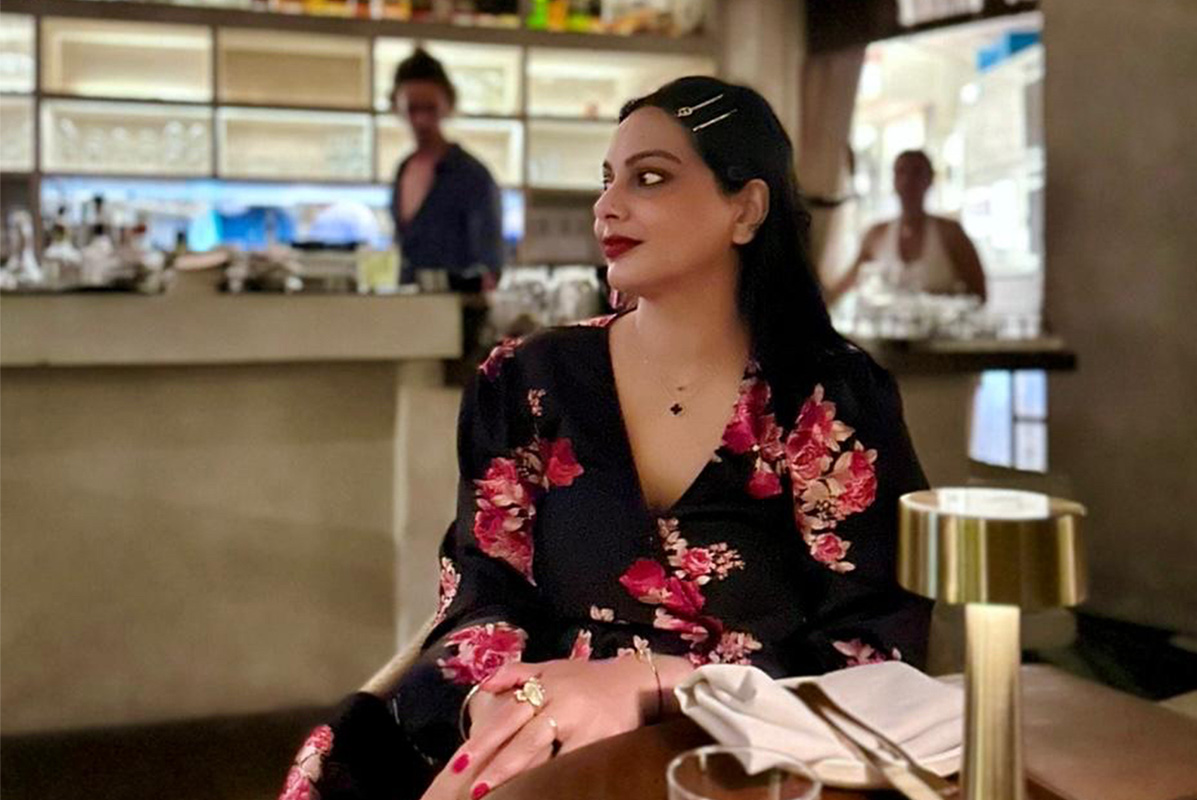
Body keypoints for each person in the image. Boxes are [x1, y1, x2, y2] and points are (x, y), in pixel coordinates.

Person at [279, 76, 932, 800]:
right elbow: (481, 592)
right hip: (536, 750)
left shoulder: (829, 398)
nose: (606, 207)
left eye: (648, 178)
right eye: (606, 180)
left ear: (746, 208)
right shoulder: (526, 381)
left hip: (747, 766)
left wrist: (656, 685)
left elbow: (876, 647)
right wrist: (495, 706)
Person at [390, 48, 503, 294]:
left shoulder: (472, 176)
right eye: (413, 109)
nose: (421, 120)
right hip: (406, 304)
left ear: (447, 105)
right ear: (397, 107)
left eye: (430, 108)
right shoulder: (402, 169)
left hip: (456, 308)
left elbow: (490, 266)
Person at [826, 150, 987, 305]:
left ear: (930, 179)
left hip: (939, 324)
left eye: (917, 173)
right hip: (888, 324)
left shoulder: (951, 233)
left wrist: (935, 302)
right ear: (894, 180)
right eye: (901, 172)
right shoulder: (876, 234)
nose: (908, 180)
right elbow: (843, 286)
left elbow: (980, 294)